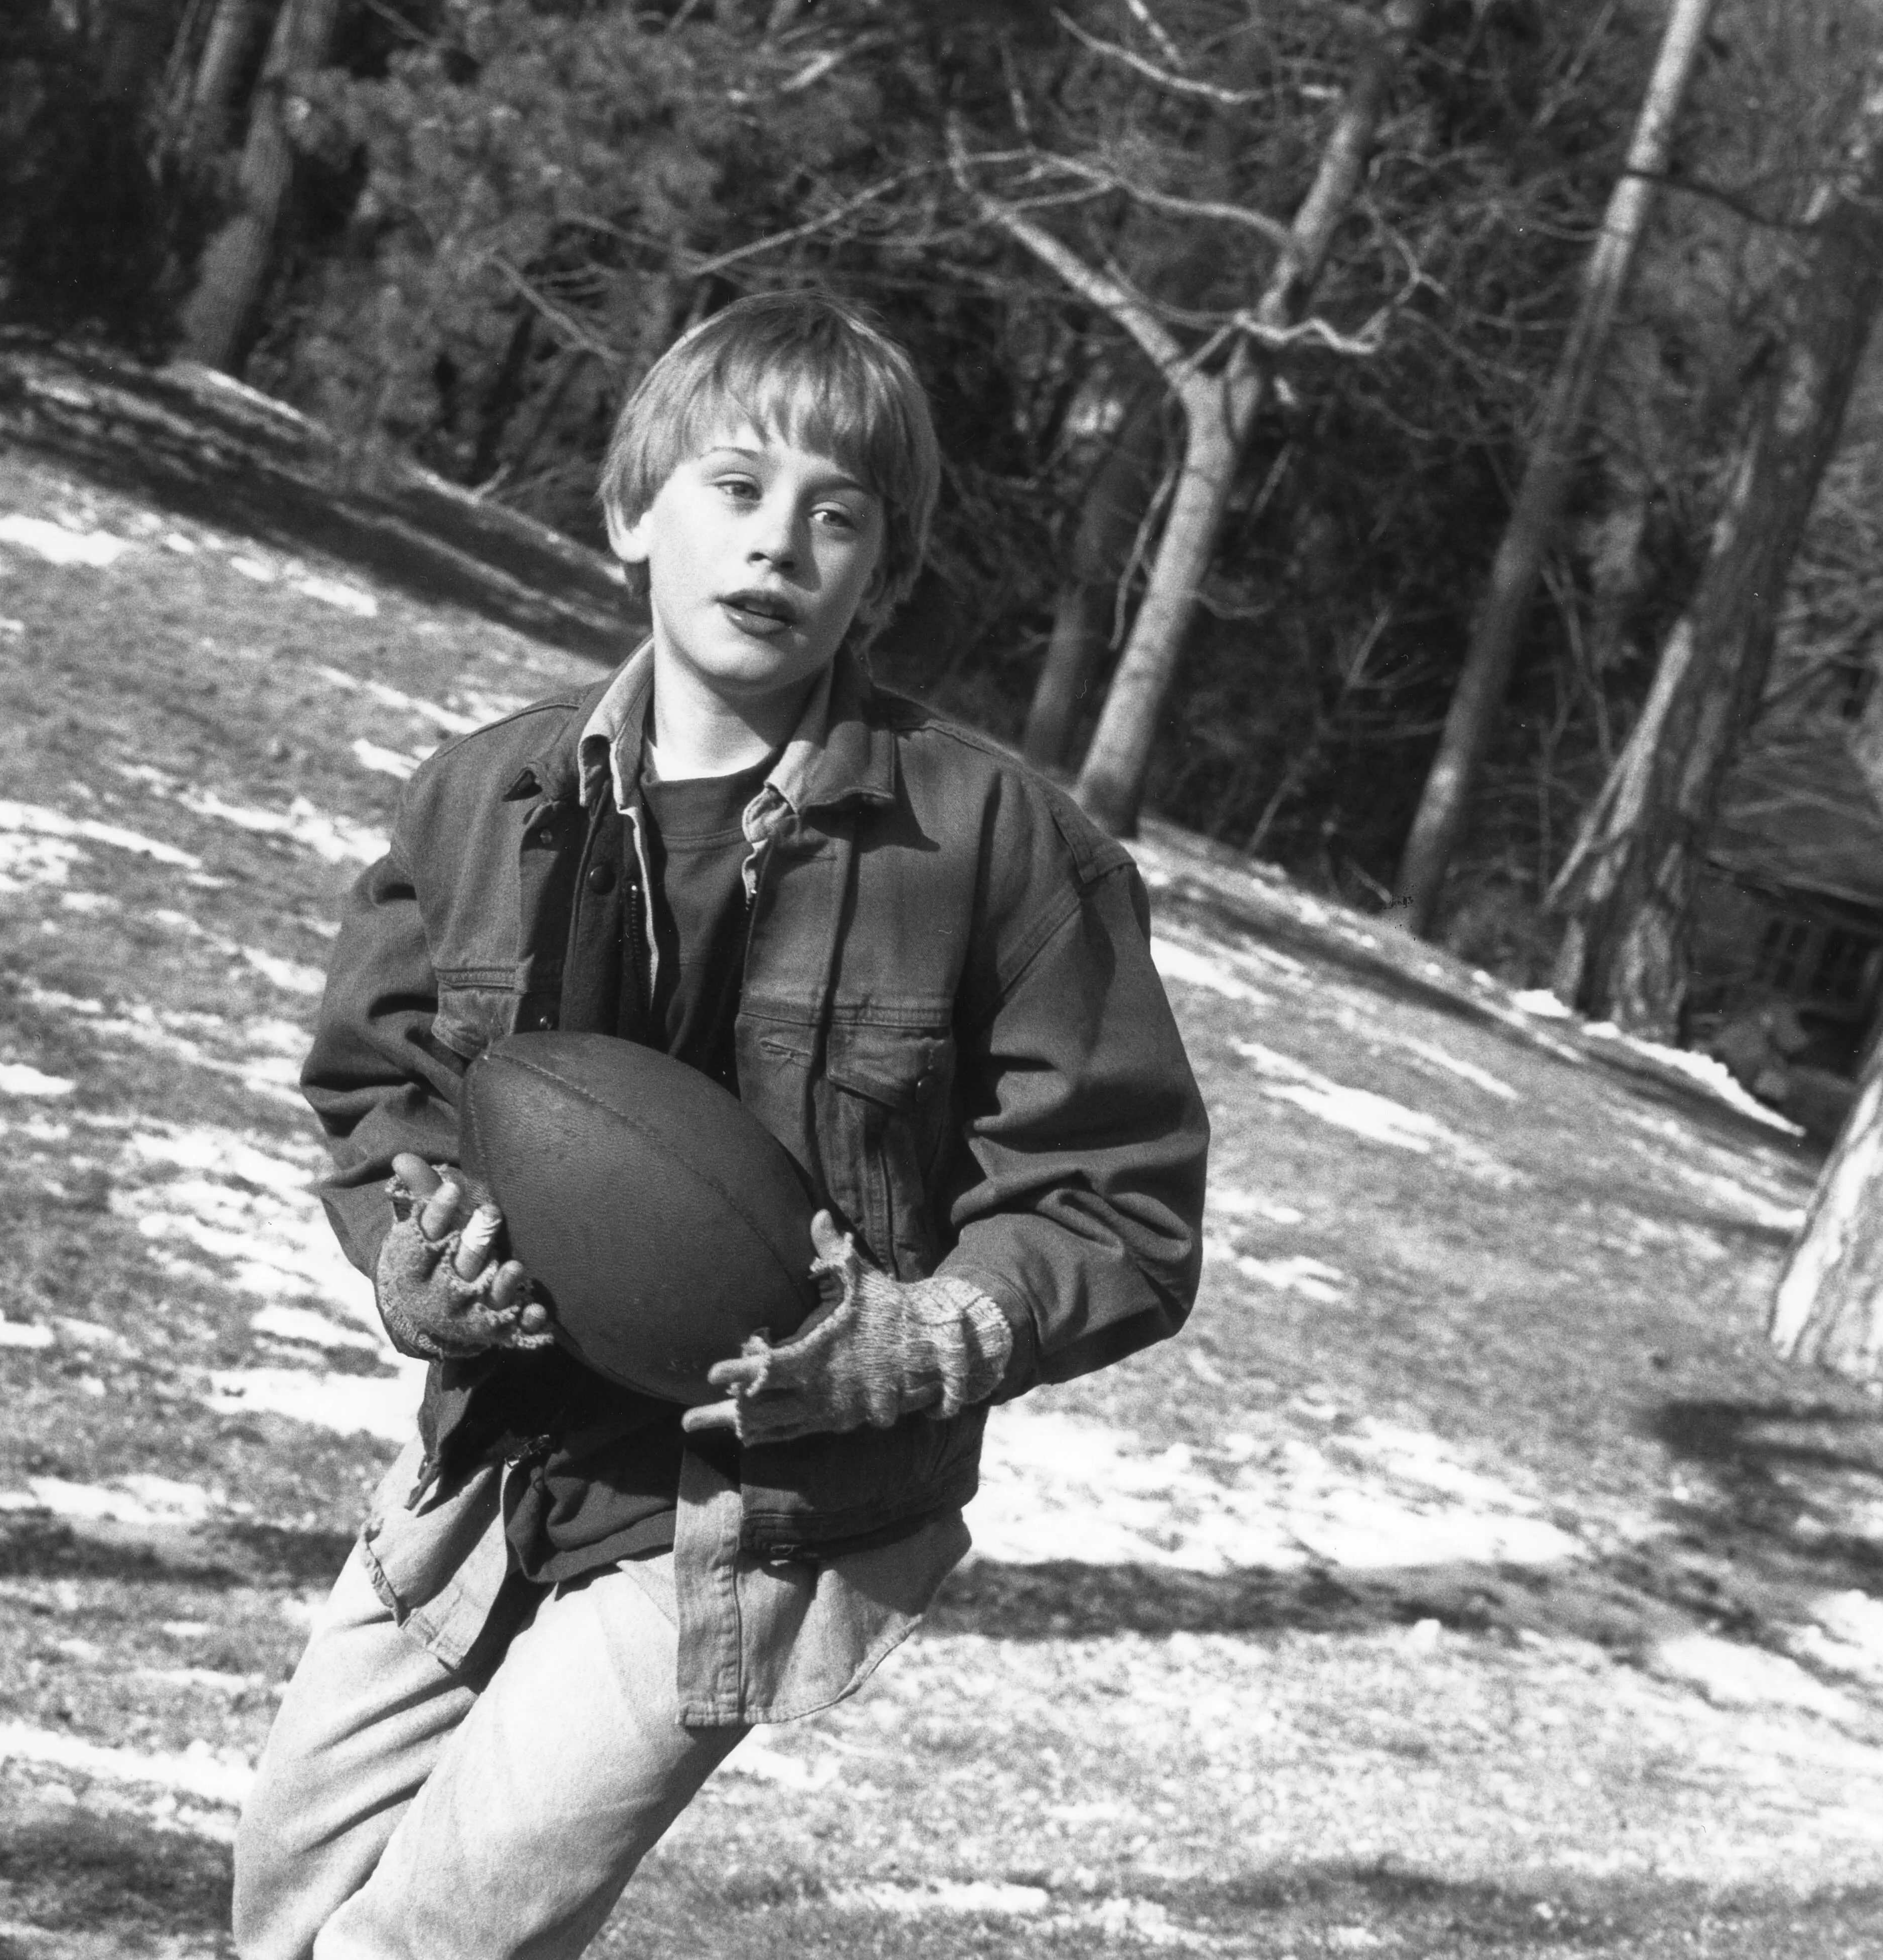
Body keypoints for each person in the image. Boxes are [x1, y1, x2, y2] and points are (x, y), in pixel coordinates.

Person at [235, 291, 1208, 1960]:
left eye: (839, 516)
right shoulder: (483, 799)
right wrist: (419, 1264)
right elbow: (378, 1089)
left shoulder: (992, 846)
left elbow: (1118, 1208)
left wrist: (914, 1339)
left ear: (882, 578)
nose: (781, 544)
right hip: (486, 1461)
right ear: (633, 513)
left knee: (425, 1945)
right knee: (288, 1908)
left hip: (741, 1517)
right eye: (736, 488)